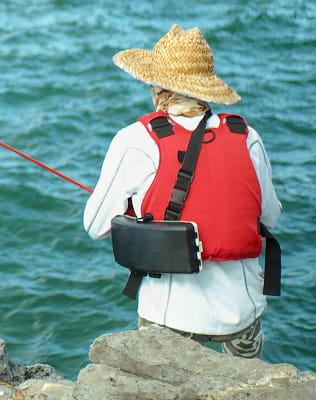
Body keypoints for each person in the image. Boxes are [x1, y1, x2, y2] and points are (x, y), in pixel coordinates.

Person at [83, 25, 282, 358]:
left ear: (157, 85)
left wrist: (135, 209)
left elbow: (96, 228)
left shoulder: (135, 140)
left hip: (170, 315)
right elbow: (270, 217)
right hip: (242, 311)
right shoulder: (246, 136)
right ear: (206, 88)